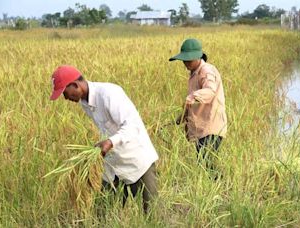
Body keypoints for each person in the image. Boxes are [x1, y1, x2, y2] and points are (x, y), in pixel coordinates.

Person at [50, 65, 158, 213]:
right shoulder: (85, 102)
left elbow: (132, 126)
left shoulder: (109, 94)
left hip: (137, 161)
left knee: (152, 212)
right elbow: (107, 130)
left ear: (75, 85)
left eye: (64, 93)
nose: (66, 98)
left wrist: (110, 142)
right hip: (114, 164)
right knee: (102, 213)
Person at [169, 38, 227, 172]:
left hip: (211, 126)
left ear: (198, 57)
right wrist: (182, 117)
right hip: (202, 126)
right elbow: (194, 104)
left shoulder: (207, 71)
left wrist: (192, 96)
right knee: (204, 162)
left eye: (188, 60)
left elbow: (210, 91)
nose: (185, 63)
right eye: (184, 60)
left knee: (206, 162)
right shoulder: (194, 72)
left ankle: (219, 189)